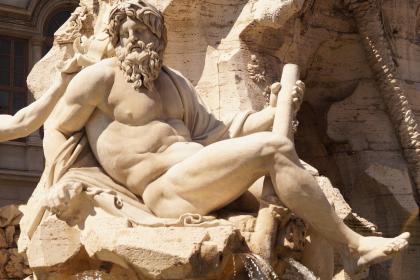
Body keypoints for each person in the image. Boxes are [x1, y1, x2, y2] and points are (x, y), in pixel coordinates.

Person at [41, 0, 409, 274]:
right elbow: (58, 127)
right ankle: (355, 245)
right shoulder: (101, 78)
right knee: (275, 147)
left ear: (158, 38)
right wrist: (61, 181)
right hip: (161, 191)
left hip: (199, 174)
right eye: (125, 34)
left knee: (308, 200)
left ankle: (336, 262)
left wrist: (276, 110)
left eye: (141, 32)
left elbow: (219, 134)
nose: (132, 41)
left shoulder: (176, 84)